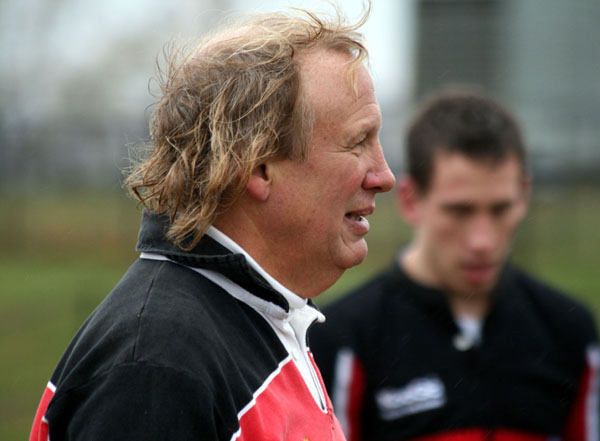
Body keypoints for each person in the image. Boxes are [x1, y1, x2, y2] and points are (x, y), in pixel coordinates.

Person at [29, 5, 396, 440]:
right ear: (258, 166)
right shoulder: (157, 366)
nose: (384, 176)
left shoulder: (262, 316)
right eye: (357, 143)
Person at [310, 89, 600, 441]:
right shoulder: (343, 338)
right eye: (459, 211)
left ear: (524, 195)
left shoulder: (568, 329)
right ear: (411, 200)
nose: (482, 241)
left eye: (500, 209)